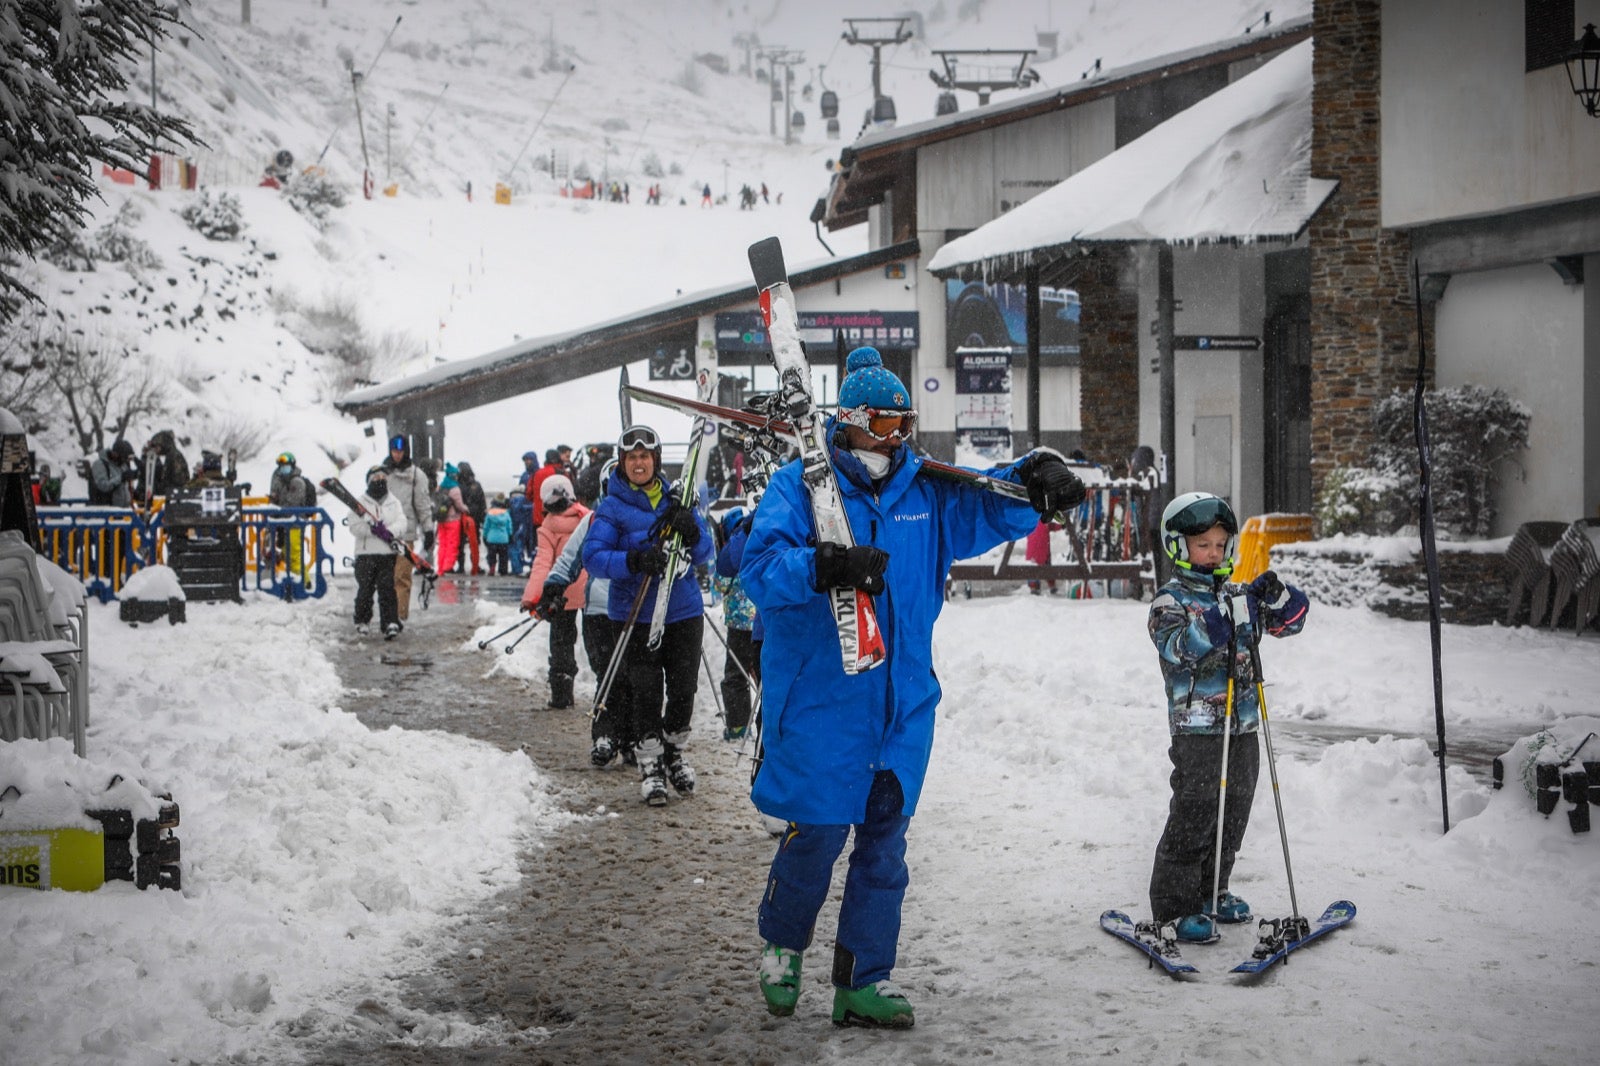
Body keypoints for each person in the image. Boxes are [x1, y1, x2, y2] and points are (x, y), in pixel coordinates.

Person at [740, 346, 1086, 1028]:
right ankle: (782, 945)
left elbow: (989, 508)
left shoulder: (922, 492)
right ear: (849, 421)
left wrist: (1033, 482)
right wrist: (824, 566)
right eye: (881, 425)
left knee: (884, 847)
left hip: (900, 707)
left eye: (904, 425)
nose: (894, 439)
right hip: (821, 703)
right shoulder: (800, 487)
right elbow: (760, 570)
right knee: (815, 839)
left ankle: (862, 979)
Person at [1145, 492, 1308, 943]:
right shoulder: (1169, 602)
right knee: (1196, 810)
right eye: (1203, 545)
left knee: (1233, 808)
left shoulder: (1237, 596)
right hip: (1198, 729)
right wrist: (1220, 620)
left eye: (1220, 544)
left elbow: (1289, 623)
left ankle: (1213, 889)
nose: (1214, 553)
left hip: (1243, 726)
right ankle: (1175, 907)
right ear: (1178, 546)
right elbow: (1179, 648)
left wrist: (1276, 597)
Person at [582, 425, 713, 806]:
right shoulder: (612, 507)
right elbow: (594, 557)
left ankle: (673, 753)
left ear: (656, 459)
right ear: (622, 463)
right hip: (636, 614)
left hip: (682, 610)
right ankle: (650, 763)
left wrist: (691, 531)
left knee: (684, 689)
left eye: (645, 456)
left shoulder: (679, 498)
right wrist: (634, 560)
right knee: (645, 691)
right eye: (631, 457)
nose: (639, 463)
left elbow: (706, 551)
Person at [541, 460, 636, 768]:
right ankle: (606, 735)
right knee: (607, 674)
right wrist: (554, 586)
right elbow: (570, 558)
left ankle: (635, 736)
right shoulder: (594, 521)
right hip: (598, 609)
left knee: (636, 675)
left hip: (637, 611)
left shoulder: (644, 521)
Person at [524, 475, 588, 709]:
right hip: (590, 591)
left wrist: (532, 598)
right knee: (597, 641)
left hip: (561, 594)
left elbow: (542, 565)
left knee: (561, 642)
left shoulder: (548, 527)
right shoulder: (586, 517)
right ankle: (607, 690)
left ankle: (562, 693)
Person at [712, 507, 760, 741]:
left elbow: (720, 584)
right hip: (760, 623)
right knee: (762, 675)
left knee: (735, 675)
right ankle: (766, 719)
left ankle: (738, 726)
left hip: (739, 626)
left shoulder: (733, 549)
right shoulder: (758, 539)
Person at [348, 466, 408, 640]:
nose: (380, 480)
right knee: (365, 589)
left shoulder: (393, 502)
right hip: (365, 554)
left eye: (383, 476)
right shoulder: (360, 503)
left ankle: (390, 622)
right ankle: (362, 621)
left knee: (387, 589)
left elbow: (401, 522)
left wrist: (390, 532)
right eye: (376, 477)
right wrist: (372, 530)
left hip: (386, 553)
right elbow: (354, 526)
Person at [382, 435, 435, 625]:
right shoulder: (383, 473)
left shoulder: (416, 476)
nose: (397, 455)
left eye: (400, 451)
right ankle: (387, 615)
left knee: (402, 577)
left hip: (406, 533)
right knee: (385, 578)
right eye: (394, 451)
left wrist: (428, 529)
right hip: (384, 533)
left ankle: (398, 616)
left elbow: (422, 504)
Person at [267, 451, 314, 587]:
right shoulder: (280, 481)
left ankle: (305, 584)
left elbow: (291, 504)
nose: (283, 468)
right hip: (284, 525)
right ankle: (298, 582)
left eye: (286, 465)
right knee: (287, 556)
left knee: (294, 557)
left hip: (295, 525)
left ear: (292, 466)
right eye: (281, 466)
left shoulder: (297, 482)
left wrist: (277, 509)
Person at [435, 463, 470, 574]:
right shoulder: (455, 489)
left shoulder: (440, 487)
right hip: (453, 520)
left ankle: (439, 567)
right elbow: (459, 505)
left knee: (442, 544)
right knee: (452, 544)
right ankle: (447, 566)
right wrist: (466, 508)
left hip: (441, 519)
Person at [139, 429, 190, 504]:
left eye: (157, 447)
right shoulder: (172, 455)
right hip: (174, 495)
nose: (156, 450)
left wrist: (162, 488)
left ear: (163, 445)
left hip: (174, 497)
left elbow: (176, 479)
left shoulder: (172, 456)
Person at [456, 461, 487, 576]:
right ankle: (475, 565)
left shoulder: (457, 485)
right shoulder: (476, 485)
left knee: (460, 543)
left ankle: (461, 566)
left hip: (461, 517)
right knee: (474, 543)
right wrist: (482, 516)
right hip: (474, 517)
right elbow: (482, 502)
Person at [88, 439, 137, 506]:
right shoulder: (100, 464)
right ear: (116, 454)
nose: (125, 461)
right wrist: (121, 478)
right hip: (104, 509)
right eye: (124, 458)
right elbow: (103, 486)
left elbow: (124, 488)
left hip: (122, 510)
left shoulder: (122, 466)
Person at [483, 493, 513, 576]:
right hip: (503, 539)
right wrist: (510, 535)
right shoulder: (506, 514)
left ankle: (492, 568)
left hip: (492, 538)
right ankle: (503, 570)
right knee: (503, 556)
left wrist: (484, 536)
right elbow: (509, 526)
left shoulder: (490, 513)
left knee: (491, 556)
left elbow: (486, 527)